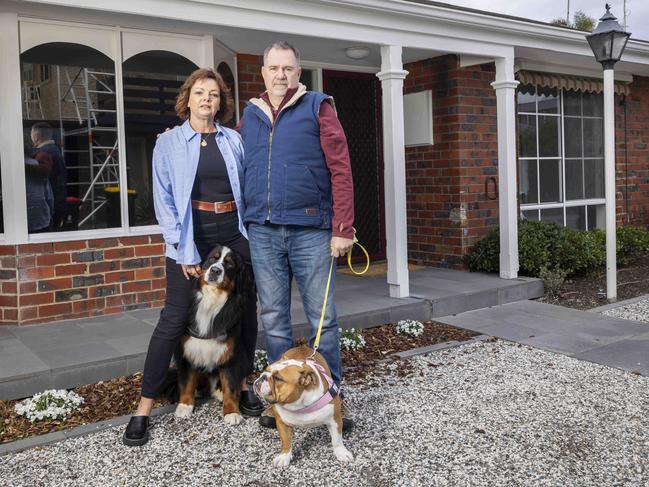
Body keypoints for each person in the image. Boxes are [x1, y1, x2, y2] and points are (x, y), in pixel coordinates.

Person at [123, 68, 263, 447]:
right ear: (187, 99)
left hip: (234, 229)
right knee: (173, 317)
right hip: (192, 233)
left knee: (246, 308)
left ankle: (243, 384)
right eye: (200, 93)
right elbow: (164, 200)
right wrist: (182, 249)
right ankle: (143, 408)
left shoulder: (233, 140)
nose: (207, 100)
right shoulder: (168, 143)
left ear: (221, 102)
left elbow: (251, 183)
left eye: (214, 95)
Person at [238, 41, 355, 430]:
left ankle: (332, 402)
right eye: (274, 68)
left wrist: (343, 228)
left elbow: (341, 169)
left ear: (298, 73)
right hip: (264, 232)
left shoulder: (318, 106)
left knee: (325, 321)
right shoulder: (250, 115)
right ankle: (282, 404)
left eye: (288, 68)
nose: (280, 74)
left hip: (311, 230)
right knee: (274, 320)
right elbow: (228, 154)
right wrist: (182, 135)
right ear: (263, 72)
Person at [30, 122, 67, 230]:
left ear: (36, 136)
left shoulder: (43, 154)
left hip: (51, 206)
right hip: (58, 202)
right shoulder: (54, 150)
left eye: (31, 135)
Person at [23, 139, 54, 233]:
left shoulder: (7, 166)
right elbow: (49, 197)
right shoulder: (39, 166)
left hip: (16, 224)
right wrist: (51, 214)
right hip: (41, 220)